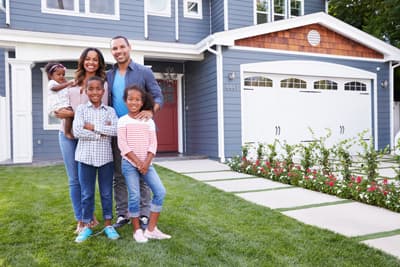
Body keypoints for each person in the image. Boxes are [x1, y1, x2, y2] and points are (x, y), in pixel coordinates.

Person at [107, 35, 163, 229]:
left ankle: (144, 213)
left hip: (139, 131)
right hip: (119, 132)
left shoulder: (143, 72)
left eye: (122, 47)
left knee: (143, 172)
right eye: (114, 48)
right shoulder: (109, 75)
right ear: (112, 52)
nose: (119, 51)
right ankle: (123, 214)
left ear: (129, 47)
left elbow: (157, 96)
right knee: (119, 175)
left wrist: (150, 111)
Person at [55, 47, 108, 234]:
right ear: (82, 61)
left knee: (87, 179)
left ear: (99, 63)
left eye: (95, 59)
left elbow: (100, 112)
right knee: (74, 180)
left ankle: (89, 215)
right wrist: (59, 111)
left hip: (87, 137)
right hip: (67, 134)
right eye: (88, 59)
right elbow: (60, 105)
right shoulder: (71, 83)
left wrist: (71, 113)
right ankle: (81, 219)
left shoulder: (102, 85)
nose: (91, 62)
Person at [118, 85, 171, 242]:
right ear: (125, 101)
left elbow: (152, 144)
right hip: (129, 164)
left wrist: (146, 163)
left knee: (160, 192)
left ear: (142, 102)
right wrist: (138, 163)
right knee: (134, 195)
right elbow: (123, 145)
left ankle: (151, 229)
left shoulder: (149, 121)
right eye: (130, 99)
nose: (133, 102)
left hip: (147, 164)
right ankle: (137, 230)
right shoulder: (122, 121)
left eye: (137, 99)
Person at [73, 76, 120, 243]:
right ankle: (86, 226)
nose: (94, 92)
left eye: (97, 89)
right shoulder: (81, 110)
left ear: (103, 91)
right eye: (90, 89)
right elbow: (77, 131)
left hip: (105, 158)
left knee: (107, 193)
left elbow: (115, 130)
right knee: (87, 193)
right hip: (85, 158)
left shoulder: (110, 111)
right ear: (86, 91)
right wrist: (102, 133)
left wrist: (93, 128)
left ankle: (108, 225)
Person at [45, 62, 75, 139]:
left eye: (63, 74)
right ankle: (67, 132)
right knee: (69, 115)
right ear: (51, 76)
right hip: (55, 107)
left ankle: (69, 130)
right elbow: (55, 88)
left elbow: (68, 86)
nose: (61, 76)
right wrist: (67, 83)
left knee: (70, 114)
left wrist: (67, 82)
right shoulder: (52, 83)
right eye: (58, 74)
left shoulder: (62, 83)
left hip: (63, 105)